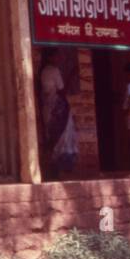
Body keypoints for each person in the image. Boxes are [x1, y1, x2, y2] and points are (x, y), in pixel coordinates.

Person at [39, 48, 78, 176]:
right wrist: (71, 76)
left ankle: (52, 168)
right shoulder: (54, 71)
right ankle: (58, 169)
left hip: (48, 109)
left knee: (52, 138)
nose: (59, 59)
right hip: (57, 109)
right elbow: (61, 91)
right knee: (61, 138)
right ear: (50, 58)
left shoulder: (44, 71)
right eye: (56, 56)